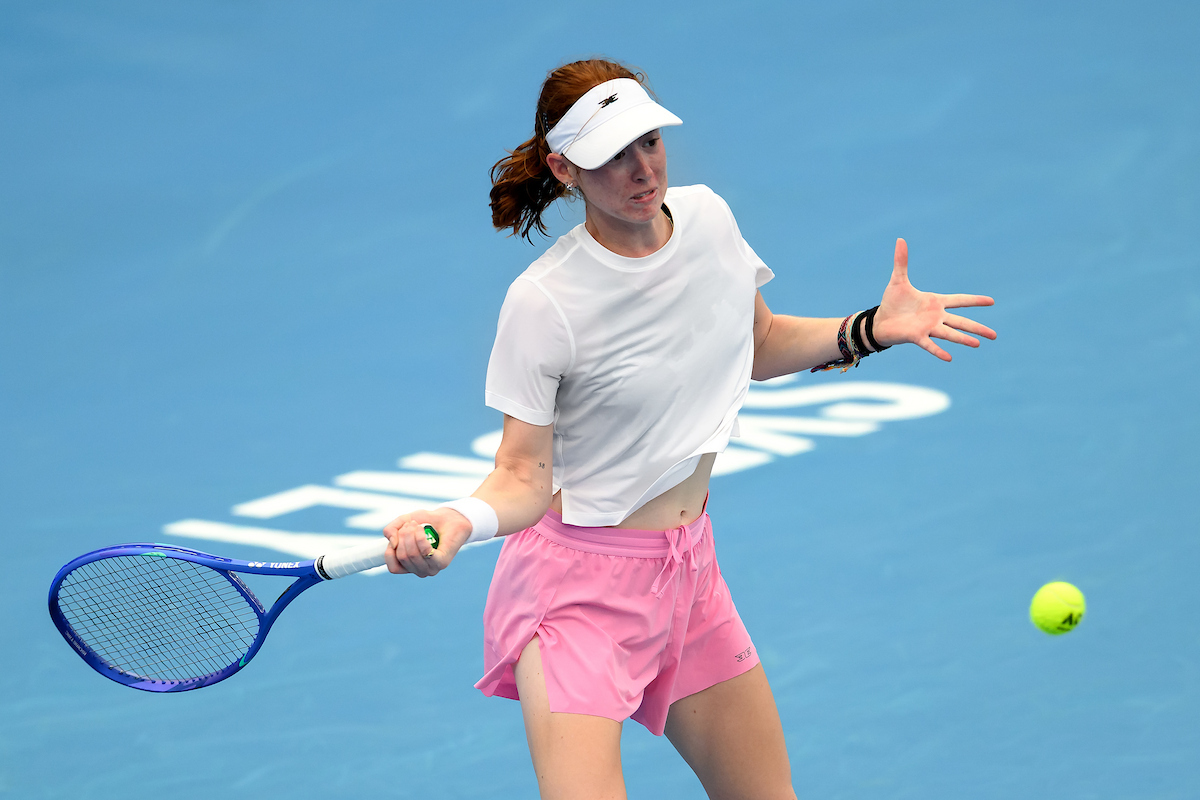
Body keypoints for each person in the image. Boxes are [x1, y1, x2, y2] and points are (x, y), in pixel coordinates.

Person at [382, 58, 995, 800]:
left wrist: (868, 329)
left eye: (649, 142)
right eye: (612, 155)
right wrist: (454, 520)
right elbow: (520, 477)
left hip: (688, 576)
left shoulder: (708, 220)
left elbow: (757, 344)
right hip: (576, 597)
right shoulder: (543, 303)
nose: (642, 169)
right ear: (564, 168)